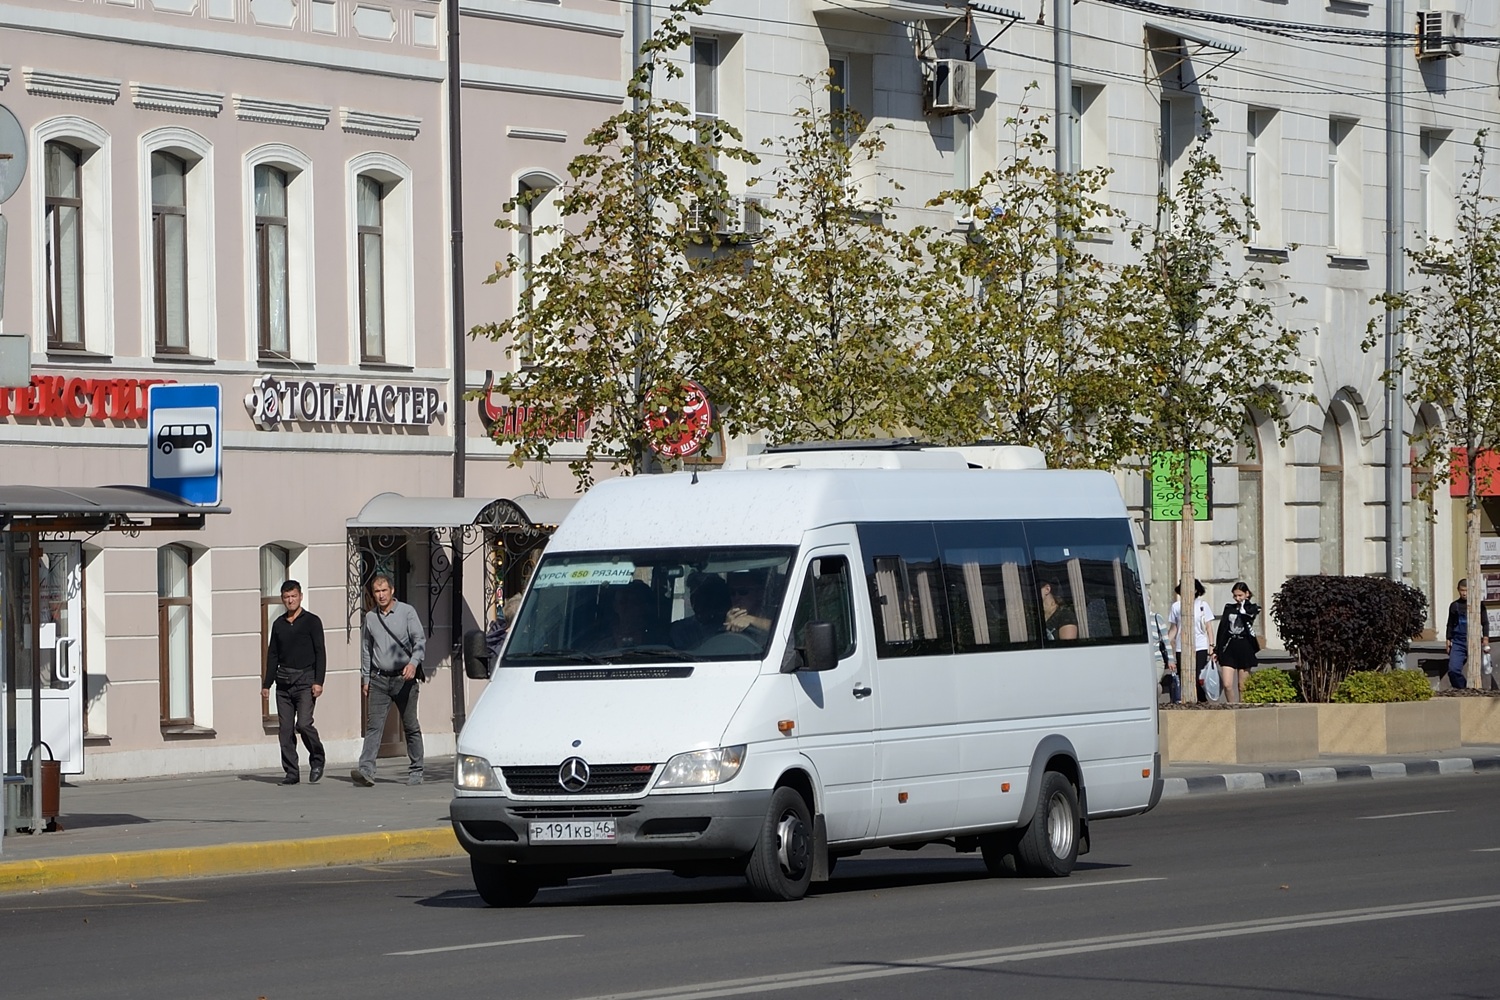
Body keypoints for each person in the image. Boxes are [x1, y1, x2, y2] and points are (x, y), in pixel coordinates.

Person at [353, 574, 426, 787]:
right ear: (373, 594)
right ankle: (366, 770)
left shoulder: (407, 612)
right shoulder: (371, 618)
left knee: (410, 725)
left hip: (404, 678)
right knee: (374, 726)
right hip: (379, 679)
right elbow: (366, 649)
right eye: (377, 591)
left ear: (392, 590)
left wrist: (413, 663)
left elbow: (419, 640)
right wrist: (365, 677)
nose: (381, 595)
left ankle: (416, 770)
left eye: (384, 590)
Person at [262, 580, 326, 785]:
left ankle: (317, 759)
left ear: (300, 597)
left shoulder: (312, 621)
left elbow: (320, 652)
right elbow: (272, 655)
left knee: (304, 724)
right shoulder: (279, 624)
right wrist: (267, 684)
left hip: (306, 680)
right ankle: (291, 772)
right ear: (283, 599)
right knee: (285, 729)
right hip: (283, 683)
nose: (290, 600)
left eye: (293, 596)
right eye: (286, 597)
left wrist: (318, 681)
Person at [1167, 579, 1215, 701]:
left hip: (1200, 646)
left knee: (1199, 676)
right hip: (1181, 646)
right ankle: (1185, 701)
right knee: (1184, 676)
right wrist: (1165, 644)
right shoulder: (1176, 606)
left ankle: (1201, 700)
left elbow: (1209, 627)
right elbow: (1174, 629)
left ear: (1196, 590)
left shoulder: (1202, 605)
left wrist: (1211, 646)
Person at [1213, 582, 1260, 704]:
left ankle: (1242, 707)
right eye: (1235, 596)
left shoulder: (1252, 608)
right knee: (1227, 684)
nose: (1237, 598)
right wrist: (1216, 649)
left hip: (1244, 645)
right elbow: (1222, 628)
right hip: (1229, 645)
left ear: (1247, 594)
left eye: (1240, 595)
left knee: (1242, 685)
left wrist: (1244, 605)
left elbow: (1248, 616)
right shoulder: (1229, 608)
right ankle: (1231, 705)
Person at [590, 580, 668, 649]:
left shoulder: (658, 638)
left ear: (644, 606)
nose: (628, 606)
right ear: (615, 606)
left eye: (634, 602)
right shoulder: (601, 637)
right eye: (623, 602)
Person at [1445, 578, 1491, 690]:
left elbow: (1485, 623)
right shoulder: (1454, 606)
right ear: (1458, 590)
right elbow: (1450, 624)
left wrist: (1485, 639)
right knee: (1453, 669)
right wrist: (1448, 640)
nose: (1464, 593)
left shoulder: (1478, 605)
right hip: (1458, 642)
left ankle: (1476, 690)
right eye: (1462, 590)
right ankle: (1463, 689)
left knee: (1477, 671)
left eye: (1466, 590)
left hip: (1474, 641)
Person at [671, 573, 732, 649]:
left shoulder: (731, 624)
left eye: (704, 594)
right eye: (693, 595)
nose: (696, 600)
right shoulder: (681, 629)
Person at [726, 570, 773, 637]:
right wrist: (728, 627)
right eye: (732, 592)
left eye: (743, 591)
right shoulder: (726, 615)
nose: (736, 597)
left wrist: (751, 620)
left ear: (759, 593)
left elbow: (784, 628)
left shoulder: (776, 612)